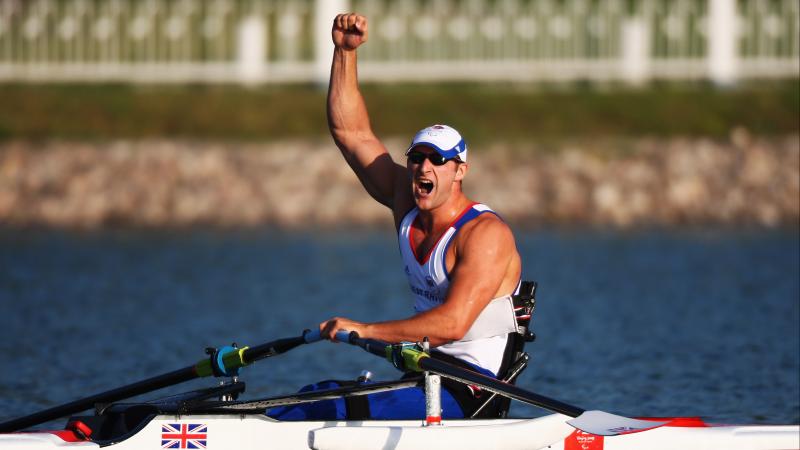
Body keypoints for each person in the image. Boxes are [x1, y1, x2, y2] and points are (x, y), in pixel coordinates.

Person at [268, 13, 523, 421]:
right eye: (417, 158)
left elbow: (453, 324)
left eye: (438, 161)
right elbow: (351, 134)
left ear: (460, 171)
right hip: (423, 378)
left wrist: (366, 330)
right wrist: (344, 53)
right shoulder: (405, 201)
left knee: (330, 406)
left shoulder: (485, 234)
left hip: (471, 390)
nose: (424, 168)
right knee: (318, 394)